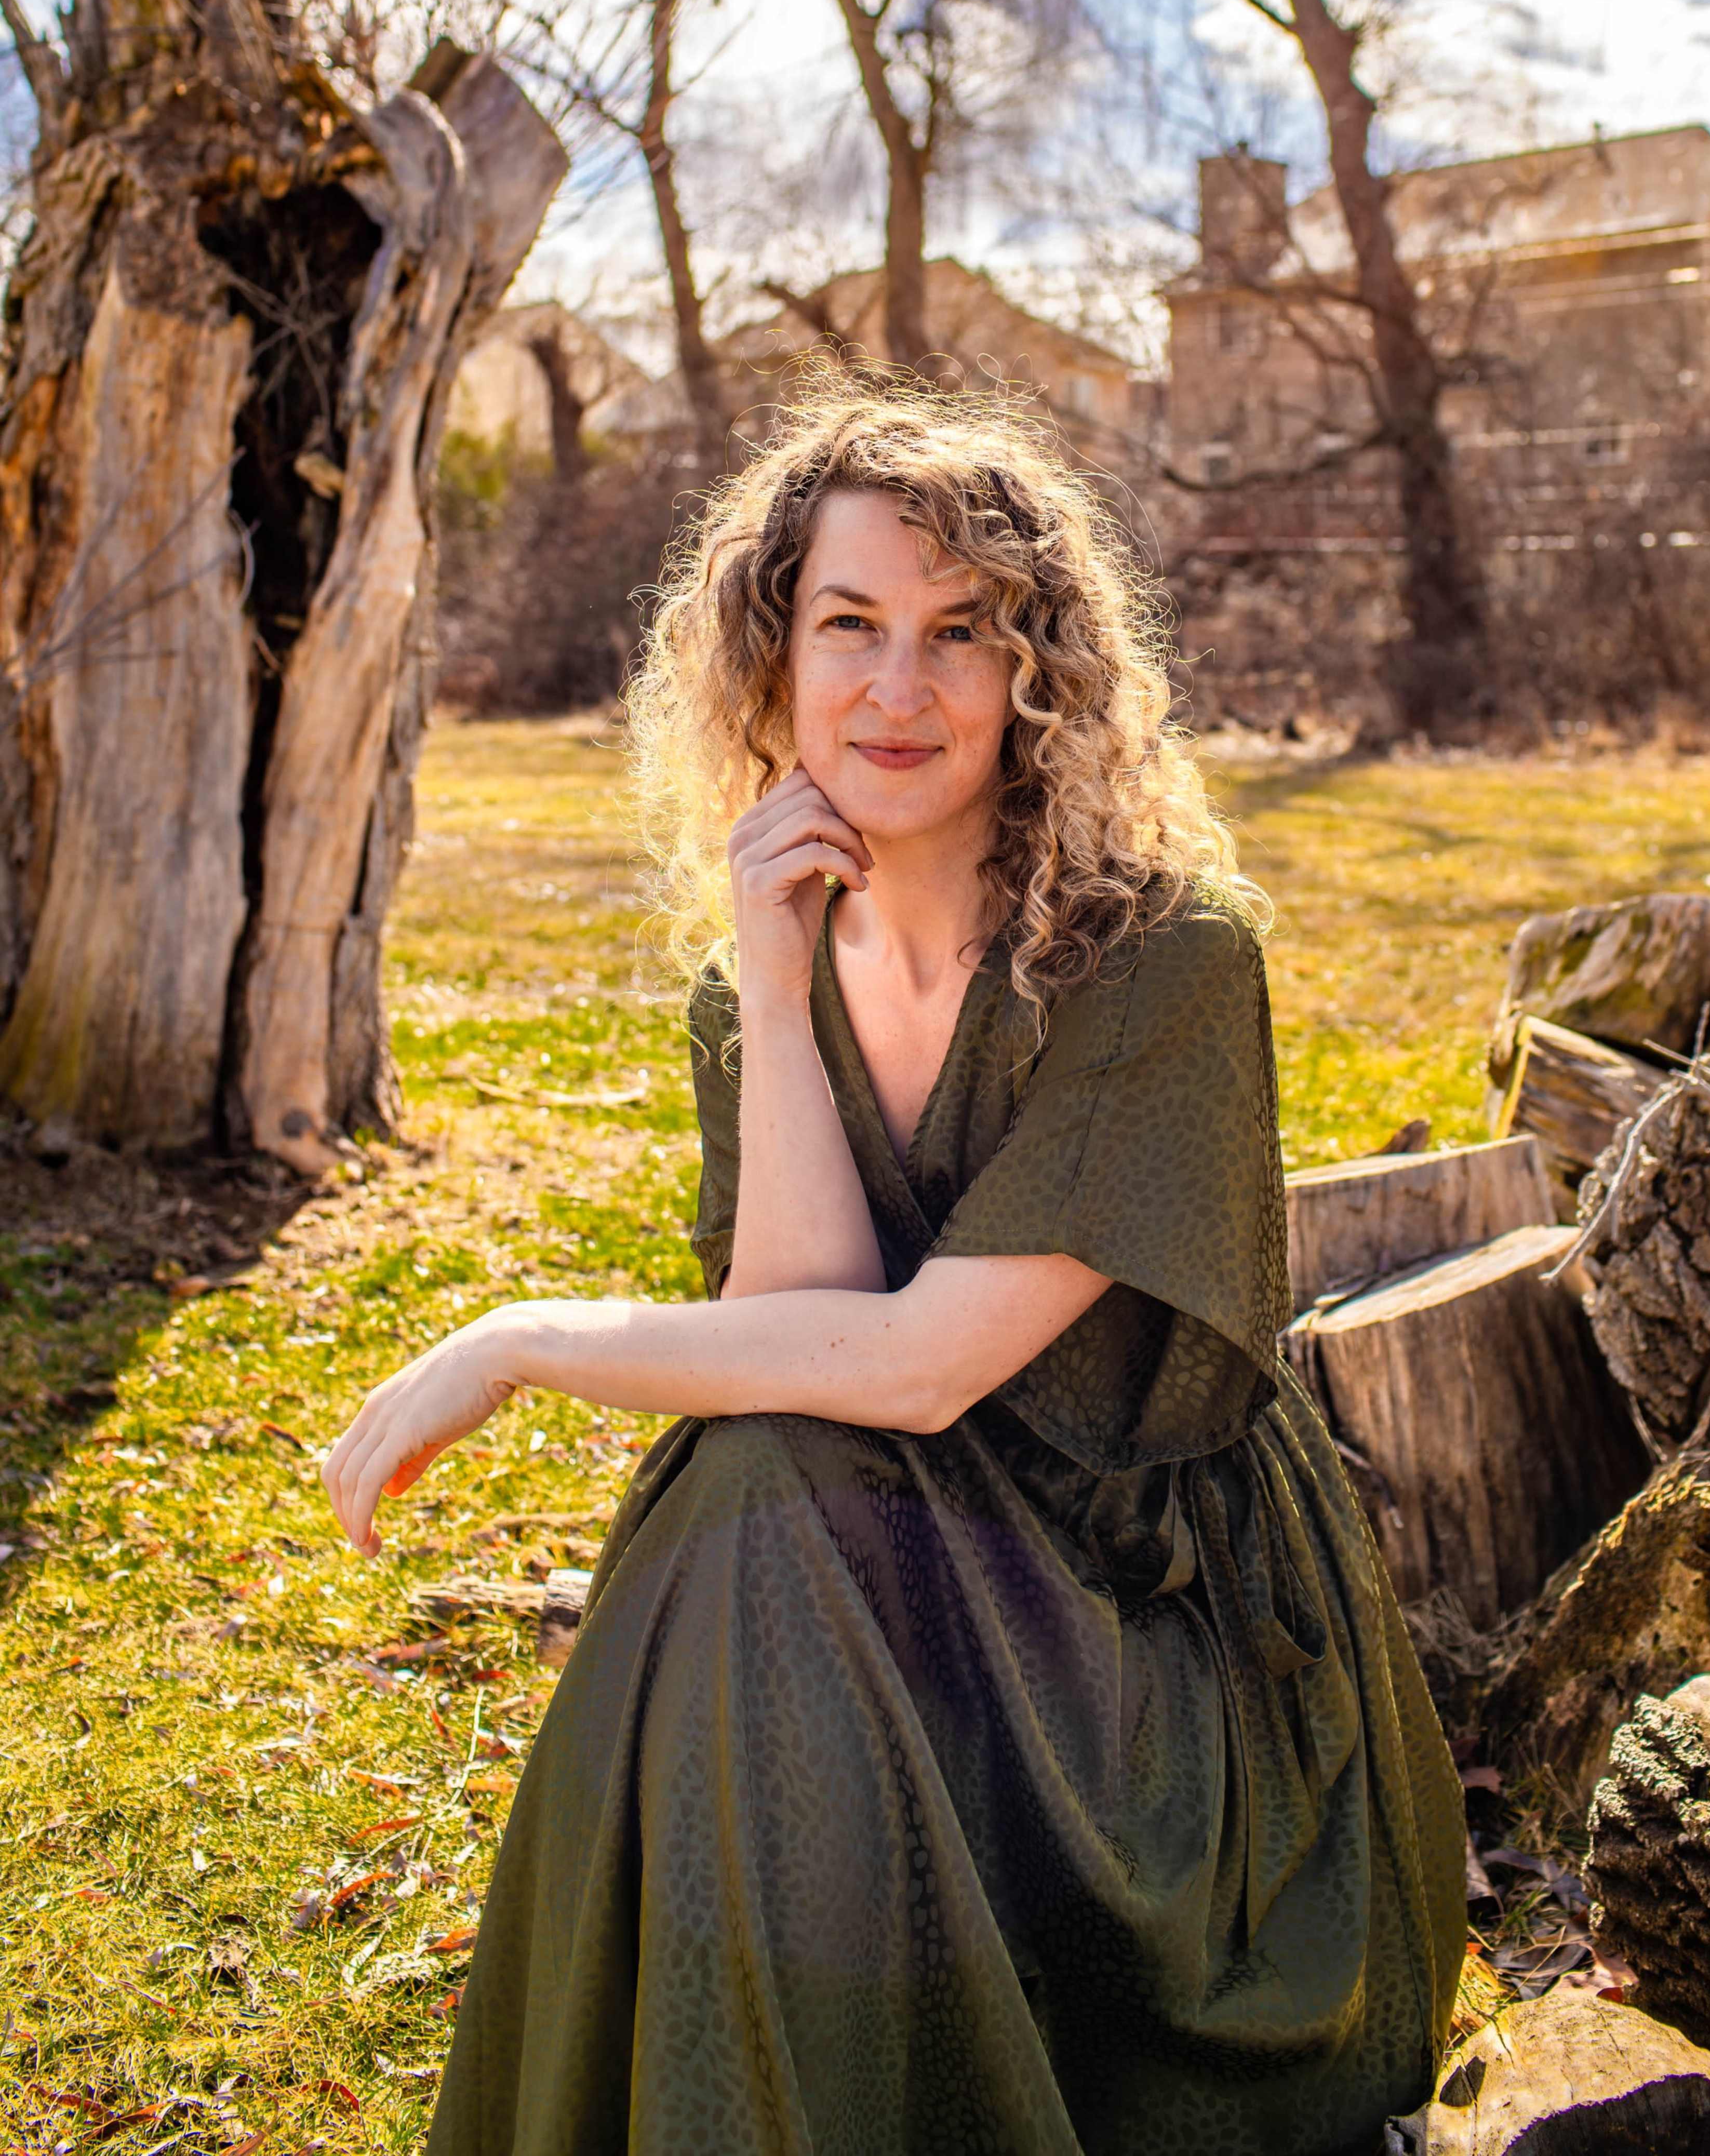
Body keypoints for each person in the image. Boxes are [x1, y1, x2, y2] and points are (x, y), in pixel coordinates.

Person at [321, 380, 1465, 2156]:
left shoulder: (1163, 962)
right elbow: (800, 1324)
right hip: (907, 1559)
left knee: (757, 1495)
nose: (898, 687)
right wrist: (774, 997)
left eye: (962, 635)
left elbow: (914, 1364)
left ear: (1039, 677)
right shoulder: (756, 977)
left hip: (1143, 1625)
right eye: (848, 625)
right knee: (754, 1469)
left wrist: (524, 1338)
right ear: (772, 659)